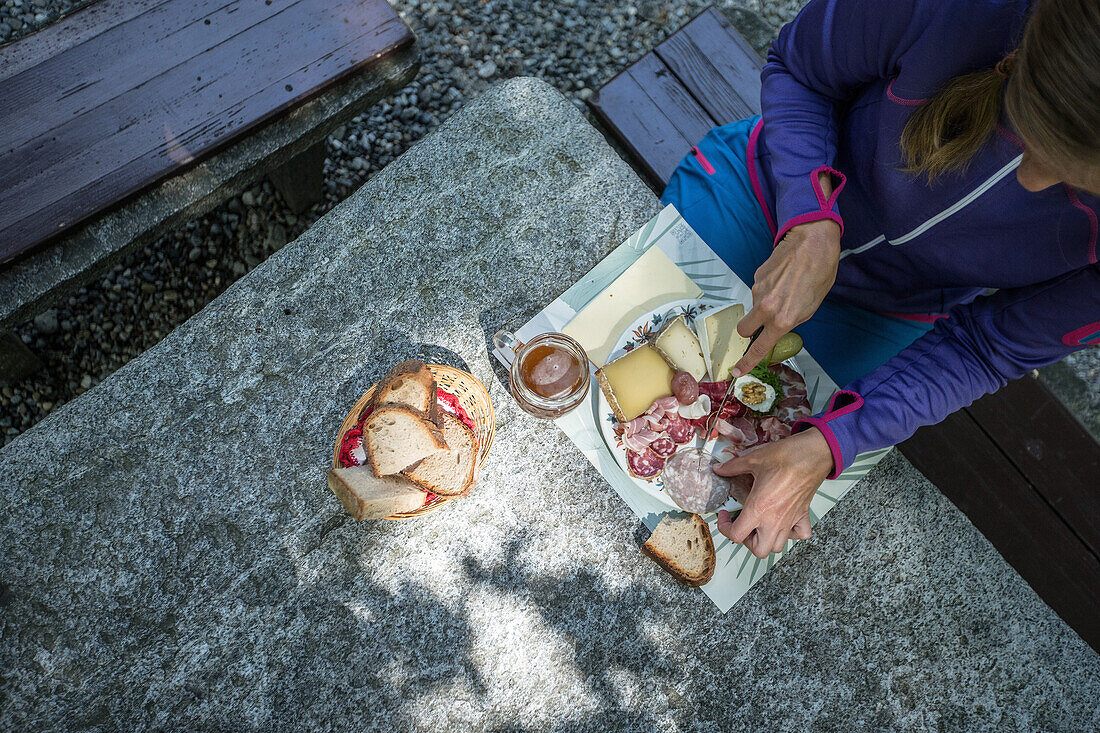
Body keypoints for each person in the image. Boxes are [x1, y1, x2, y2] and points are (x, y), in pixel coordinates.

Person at [660, 0, 1100, 559]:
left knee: (764, 475)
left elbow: (988, 348)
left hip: (889, 312)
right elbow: (800, 69)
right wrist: (812, 216)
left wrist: (832, 441)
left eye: (1080, 184)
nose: (1033, 181)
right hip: (763, 196)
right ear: (1016, 61)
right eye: (1027, 135)